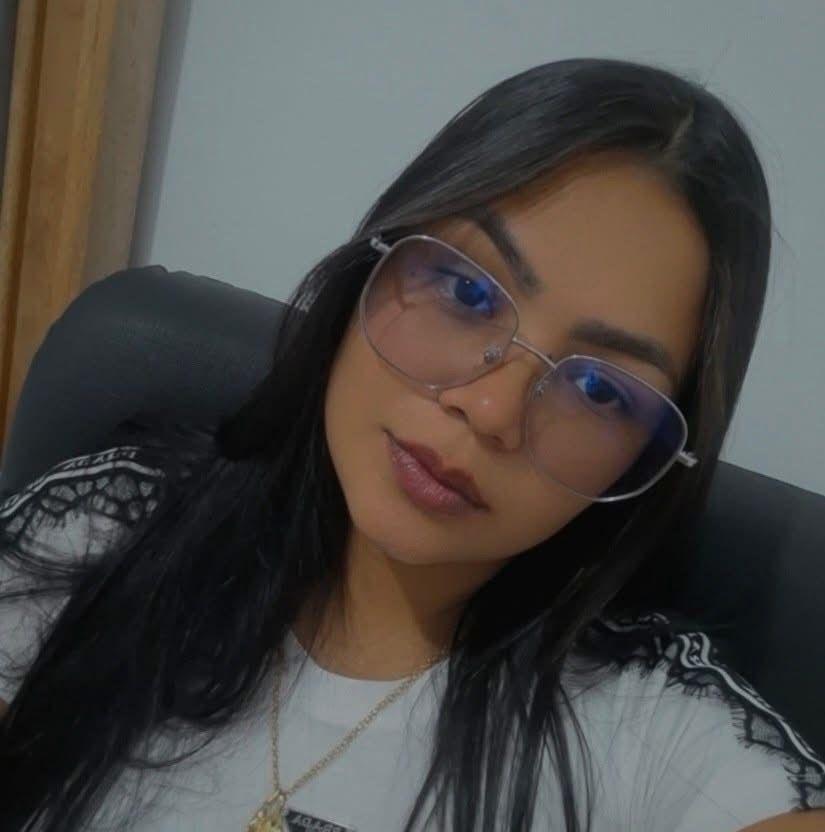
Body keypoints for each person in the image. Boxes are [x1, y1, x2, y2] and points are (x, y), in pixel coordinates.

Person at [0, 56, 823, 832]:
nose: (492, 410)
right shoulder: (105, 535)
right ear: (371, 266)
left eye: (601, 391)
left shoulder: (654, 744)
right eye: (467, 292)